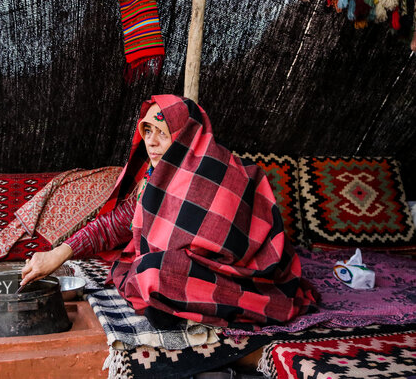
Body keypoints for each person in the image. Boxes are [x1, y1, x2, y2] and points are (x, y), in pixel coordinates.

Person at [21, 95, 317, 329]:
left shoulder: (222, 172)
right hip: (188, 271)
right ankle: (179, 301)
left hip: (245, 272)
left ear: (186, 136)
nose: (151, 141)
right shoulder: (152, 180)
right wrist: (58, 253)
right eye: (147, 130)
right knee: (153, 270)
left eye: (162, 132)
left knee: (151, 272)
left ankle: (189, 303)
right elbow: (112, 226)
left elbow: (235, 242)